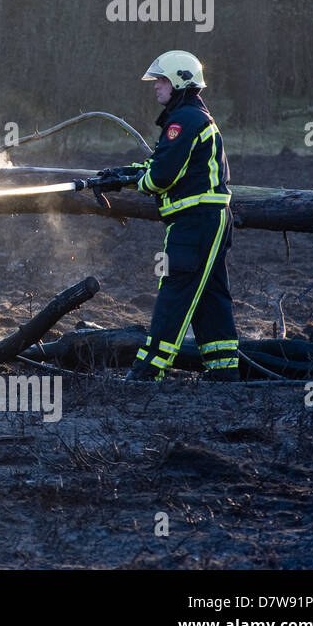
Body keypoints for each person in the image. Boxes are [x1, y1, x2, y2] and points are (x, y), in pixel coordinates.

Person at [97, 51, 240, 382]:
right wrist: (122, 175)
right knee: (209, 294)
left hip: (196, 223)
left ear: (179, 81)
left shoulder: (183, 121)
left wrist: (142, 183)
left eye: (161, 80)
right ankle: (224, 372)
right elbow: (160, 164)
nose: (156, 87)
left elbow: (161, 177)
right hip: (207, 221)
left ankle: (148, 370)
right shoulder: (191, 117)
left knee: (176, 289)